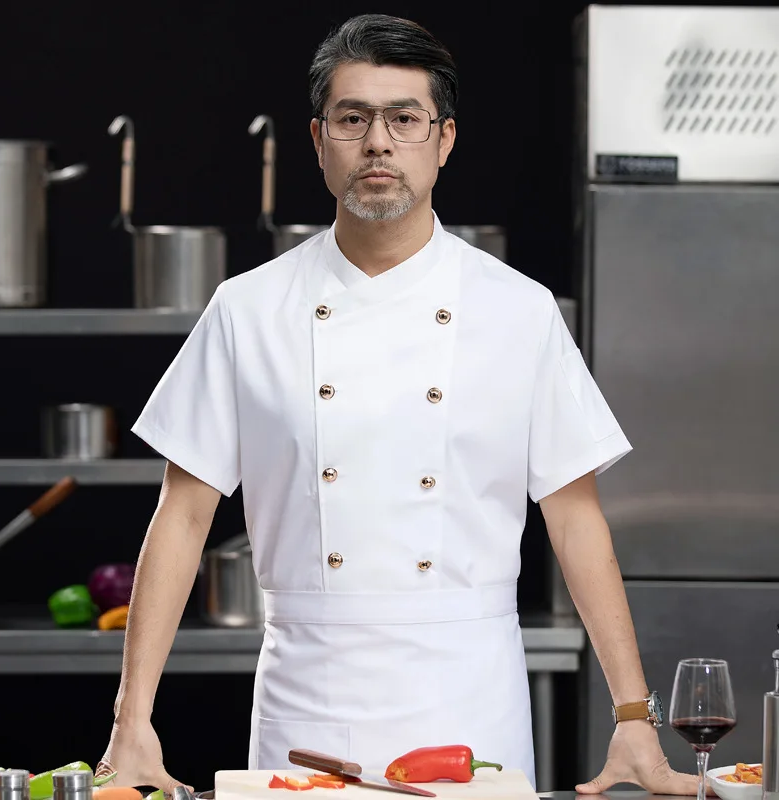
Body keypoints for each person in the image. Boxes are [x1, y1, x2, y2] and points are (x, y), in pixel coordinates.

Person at [96, 13, 701, 797]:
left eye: (404, 119)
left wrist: (632, 717)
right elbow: (182, 515)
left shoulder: (518, 310)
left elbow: (575, 518)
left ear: (443, 140)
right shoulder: (247, 310)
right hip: (305, 705)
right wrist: (130, 717)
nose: (378, 142)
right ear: (319, 141)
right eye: (353, 119)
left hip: (468, 699)